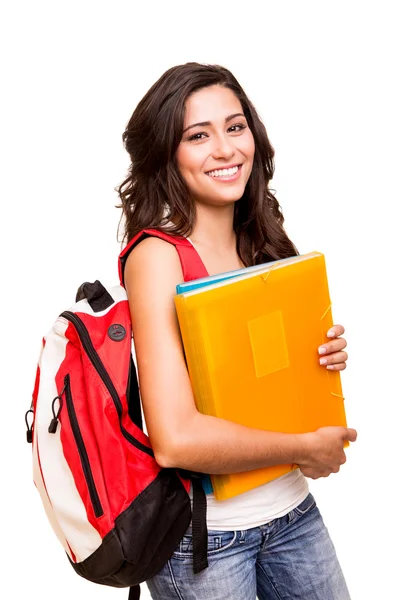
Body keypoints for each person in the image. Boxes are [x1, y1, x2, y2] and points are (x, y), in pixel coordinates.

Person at [117, 62, 357, 600]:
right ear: (167, 153)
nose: (226, 149)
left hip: (292, 513)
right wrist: (303, 446)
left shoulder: (262, 240)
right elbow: (175, 439)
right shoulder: (158, 257)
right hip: (208, 540)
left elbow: (256, 385)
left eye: (235, 126)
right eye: (198, 136)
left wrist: (316, 362)